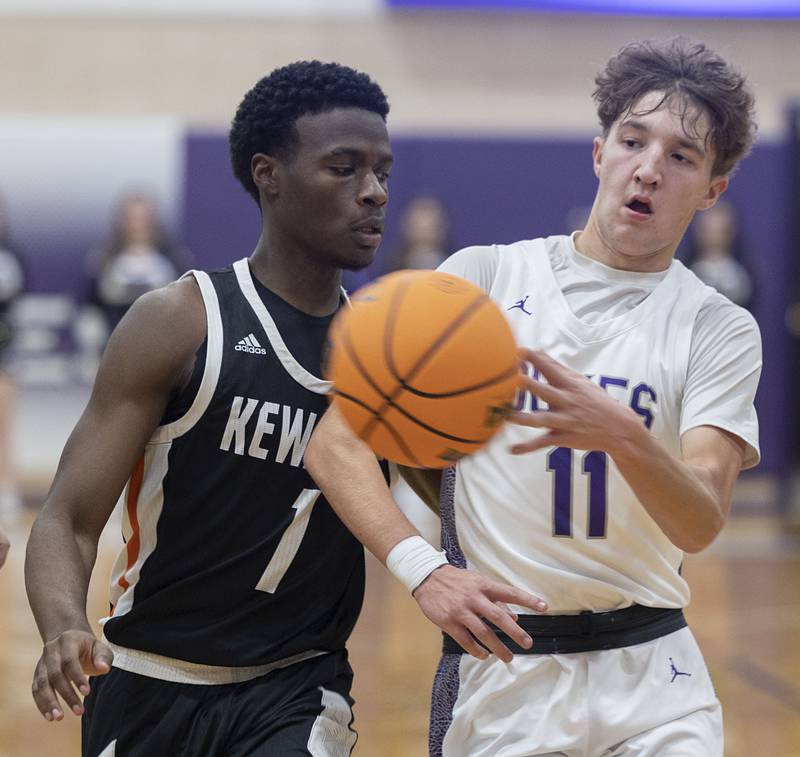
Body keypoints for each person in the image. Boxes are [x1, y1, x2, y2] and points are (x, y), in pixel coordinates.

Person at [24, 60, 540, 757]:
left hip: (299, 688)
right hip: (149, 677)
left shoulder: (392, 355)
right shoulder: (181, 321)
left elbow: (455, 511)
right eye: (344, 169)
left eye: (382, 171)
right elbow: (67, 516)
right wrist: (63, 624)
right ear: (268, 174)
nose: (375, 192)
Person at [305, 38, 761, 756]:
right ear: (599, 154)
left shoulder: (717, 326)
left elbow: (701, 520)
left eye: (681, 156)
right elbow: (336, 443)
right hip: (507, 671)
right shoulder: (483, 279)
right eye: (633, 141)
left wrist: (624, 434)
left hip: (656, 678)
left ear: (713, 190)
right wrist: (423, 570)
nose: (648, 168)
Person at [86, 191, 189, 333]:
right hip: (114, 337)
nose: (138, 225)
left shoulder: (174, 260)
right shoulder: (103, 261)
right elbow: (90, 305)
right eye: (132, 218)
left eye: (143, 218)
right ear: (122, 220)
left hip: (160, 338)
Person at [684, 199, 754, 308]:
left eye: (719, 231)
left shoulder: (743, 274)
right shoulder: (683, 271)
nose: (714, 237)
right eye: (709, 230)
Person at [391, 195, 451, 271]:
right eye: (418, 225)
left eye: (430, 228)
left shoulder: (454, 266)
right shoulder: (394, 267)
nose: (425, 234)